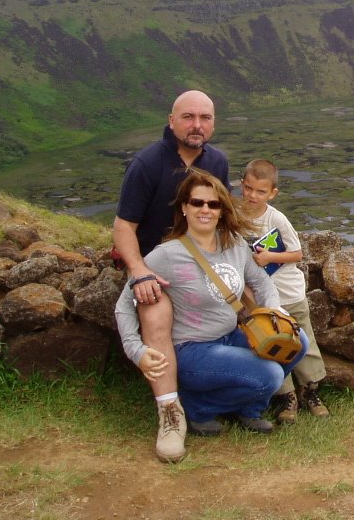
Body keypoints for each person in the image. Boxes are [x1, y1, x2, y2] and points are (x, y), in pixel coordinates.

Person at [115, 169, 307, 457]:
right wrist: (135, 349)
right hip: (194, 350)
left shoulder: (233, 245)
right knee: (268, 375)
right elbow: (124, 303)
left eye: (213, 204)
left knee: (298, 342)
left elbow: (261, 281)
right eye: (197, 203)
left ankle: (247, 409)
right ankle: (198, 407)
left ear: (221, 210)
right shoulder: (166, 255)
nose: (205, 209)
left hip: (231, 335)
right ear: (184, 207)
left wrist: (275, 311)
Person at [112, 90, 230, 462]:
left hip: (201, 262)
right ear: (171, 120)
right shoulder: (147, 163)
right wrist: (139, 272)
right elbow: (123, 226)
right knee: (156, 313)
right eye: (189, 117)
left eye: (205, 118)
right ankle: (170, 413)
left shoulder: (218, 161)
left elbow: (220, 215)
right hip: (156, 269)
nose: (197, 125)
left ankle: (220, 393)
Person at [238, 158, 331, 424]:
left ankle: (311, 391)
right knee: (271, 343)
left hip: (289, 293)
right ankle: (286, 396)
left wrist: (270, 258)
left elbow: (298, 253)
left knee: (304, 340)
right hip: (260, 298)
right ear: (241, 186)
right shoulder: (237, 217)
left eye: (260, 191)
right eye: (248, 188)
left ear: (272, 193)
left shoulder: (276, 218)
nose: (253, 195)